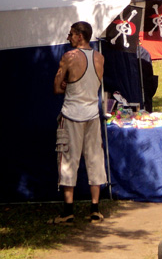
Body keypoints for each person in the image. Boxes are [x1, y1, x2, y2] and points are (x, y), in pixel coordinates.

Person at [51, 21, 107, 224]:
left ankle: (68, 211)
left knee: (68, 159)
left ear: (80, 36)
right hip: (92, 114)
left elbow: (57, 88)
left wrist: (66, 85)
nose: (68, 37)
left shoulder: (69, 57)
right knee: (94, 159)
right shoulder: (100, 57)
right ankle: (95, 208)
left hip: (72, 114)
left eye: (71, 34)